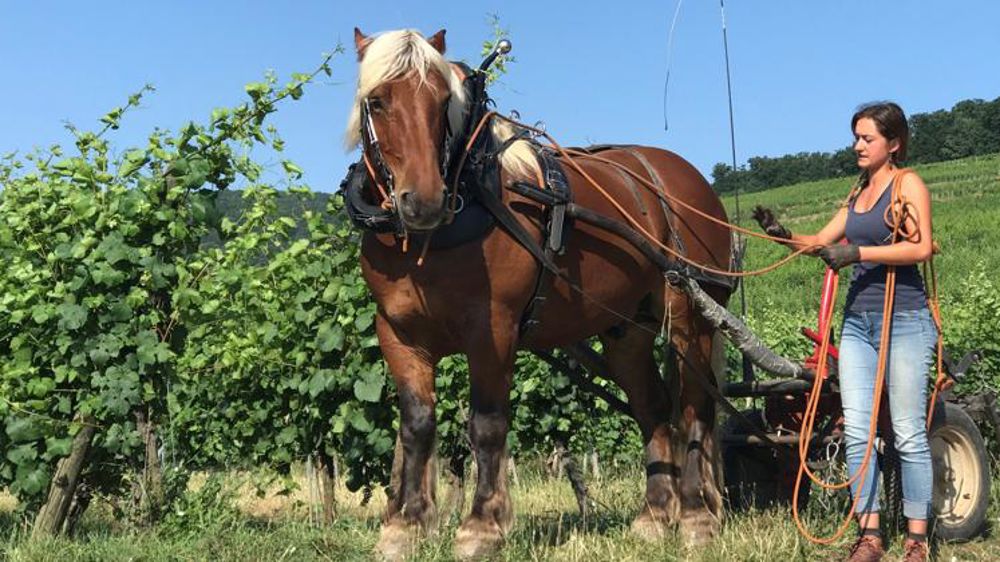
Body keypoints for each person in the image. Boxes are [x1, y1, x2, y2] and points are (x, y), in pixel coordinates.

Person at [753, 101, 937, 562]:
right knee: (857, 430)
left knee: (909, 431)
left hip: (906, 320)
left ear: (892, 143)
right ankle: (870, 535)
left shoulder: (906, 183)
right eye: (856, 137)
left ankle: (917, 540)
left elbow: (922, 247)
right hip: (858, 323)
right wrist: (781, 233)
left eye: (867, 138)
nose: (858, 145)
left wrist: (858, 255)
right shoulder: (857, 193)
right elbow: (821, 242)